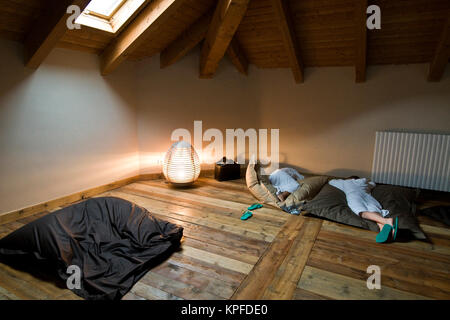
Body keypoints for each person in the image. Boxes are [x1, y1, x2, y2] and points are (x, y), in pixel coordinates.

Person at [329, 177, 398, 242]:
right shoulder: (365, 183)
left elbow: (331, 181)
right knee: (375, 211)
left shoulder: (345, 182)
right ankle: (383, 228)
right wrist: (366, 181)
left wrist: (344, 180)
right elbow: (373, 183)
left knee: (362, 212)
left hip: (354, 196)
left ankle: (386, 221)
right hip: (369, 198)